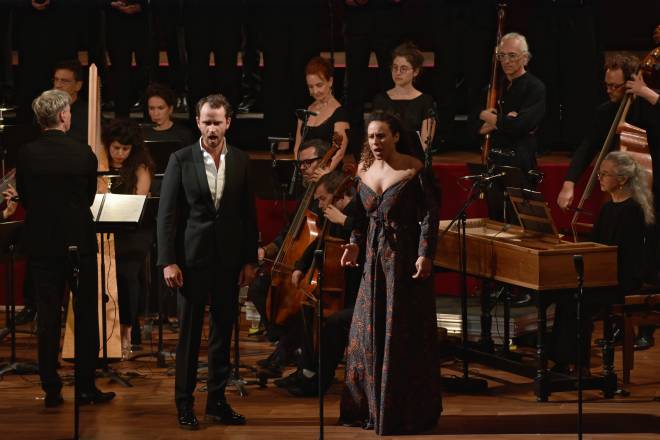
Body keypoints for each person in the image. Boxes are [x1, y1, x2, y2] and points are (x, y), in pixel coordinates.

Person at [157, 94, 258, 430]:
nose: (212, 128)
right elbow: (167, 216)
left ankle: (217, 400)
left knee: (222, 334)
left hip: (228, 262)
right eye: (206, 121)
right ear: (198, 122)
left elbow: (248, 215)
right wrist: (168, 261)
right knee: (188, 336)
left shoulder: (241, 160)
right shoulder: (181, 159)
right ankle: (184, 405)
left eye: (218, 122)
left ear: (228, 122)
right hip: (191, 261)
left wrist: (248, 260)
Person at [339, 111, 441, 435]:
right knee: (364, 333)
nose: (376, 142)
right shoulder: (364, 170)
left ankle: (403, 412)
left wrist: (425, 254)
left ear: (396, 136)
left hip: (403, 261)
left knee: (401, 334)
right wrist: (354, 244)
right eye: (371, 137)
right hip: (372, 263)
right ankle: (368, 407)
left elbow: (429, 216)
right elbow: (358, 217)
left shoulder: (414, 169)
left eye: (381, 135)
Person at [16, 89, 115, 407]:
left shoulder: (27, 153)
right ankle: (86, 386)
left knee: (47, 316)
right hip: (78, 243)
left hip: (42, 244)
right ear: (62, 116)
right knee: (86, 315)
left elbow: (26, 198)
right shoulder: (83, 152)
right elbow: (87, 198)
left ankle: (51, 388)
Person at [557, 53, 660, 349]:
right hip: (622, 197)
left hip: (652, 193)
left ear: (630, 83)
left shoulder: (648, 106)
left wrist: (648, 95)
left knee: (646, 257)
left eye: (616, 87)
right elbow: (589, 145)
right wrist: (569, 183)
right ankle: (615, 323)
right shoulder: (606, 111)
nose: (610, 91)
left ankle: (644, 326)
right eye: (607, 86)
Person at [551, 151, 652, 373]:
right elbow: (596, 246)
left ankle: (580, 366)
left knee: (576, 299)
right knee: (564, 295)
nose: (600, 178)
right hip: (603, 274)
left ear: (623, 179)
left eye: (605, 174)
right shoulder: (607, 208)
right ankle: (561, 362)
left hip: (622, 279)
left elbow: (625, 256)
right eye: (599, 173)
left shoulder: (633, 211)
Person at [281, 170, 363, 397]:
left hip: (358, 292)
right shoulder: (333, 217)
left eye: (322, 198)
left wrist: (344, 221)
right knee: (307, 309)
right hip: (340, 291)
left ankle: (320, 380)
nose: (318, 204)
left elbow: (369, 236)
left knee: (332, 323)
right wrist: (300, 266)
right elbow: (319, 243)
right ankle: (308, 371)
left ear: (340, 196)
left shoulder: (357, 212)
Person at [477, 32, 546, 222]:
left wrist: (489, 118)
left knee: (521, 220)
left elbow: (519, 126)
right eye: (502, 56)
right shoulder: (493, 87)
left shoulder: (535, 88)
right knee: (495, 218)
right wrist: (500, 120)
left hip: (521, 164)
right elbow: (474, 124)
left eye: (512, 56)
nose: (506, 61)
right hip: (494, 161)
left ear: (525, 57)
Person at [101, 118, 155, 358]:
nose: (120, 153)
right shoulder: (99, 164)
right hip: (104, 228)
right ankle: (104, 331)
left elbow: (137, 201)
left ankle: (127, 330)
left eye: (125, 149)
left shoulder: (141, 167)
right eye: (115, 148)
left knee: (126, 273)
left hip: (133, 230)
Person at [372, 42, 436, 161]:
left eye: (403, 69)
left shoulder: (426, 101)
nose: (397, 72)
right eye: (395, 68)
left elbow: (425, 145)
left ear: (415, 72)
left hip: (414, 162)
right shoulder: (380, 99)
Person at [293, 56, 349, 173]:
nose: (315, 91)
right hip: (305, 173)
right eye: (310, 87)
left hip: (328, 175)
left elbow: (340, 152)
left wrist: (324, 172)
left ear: (330, 82)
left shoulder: (340, 113)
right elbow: (297, 147)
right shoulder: (306, 111)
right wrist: (301, 170)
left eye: (319, 85)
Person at [52, 59, 88, 144]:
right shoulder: (46, 110)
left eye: (64, 81)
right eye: (56, 80)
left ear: (78, 86)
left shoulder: (89, 113)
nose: (57, 85)